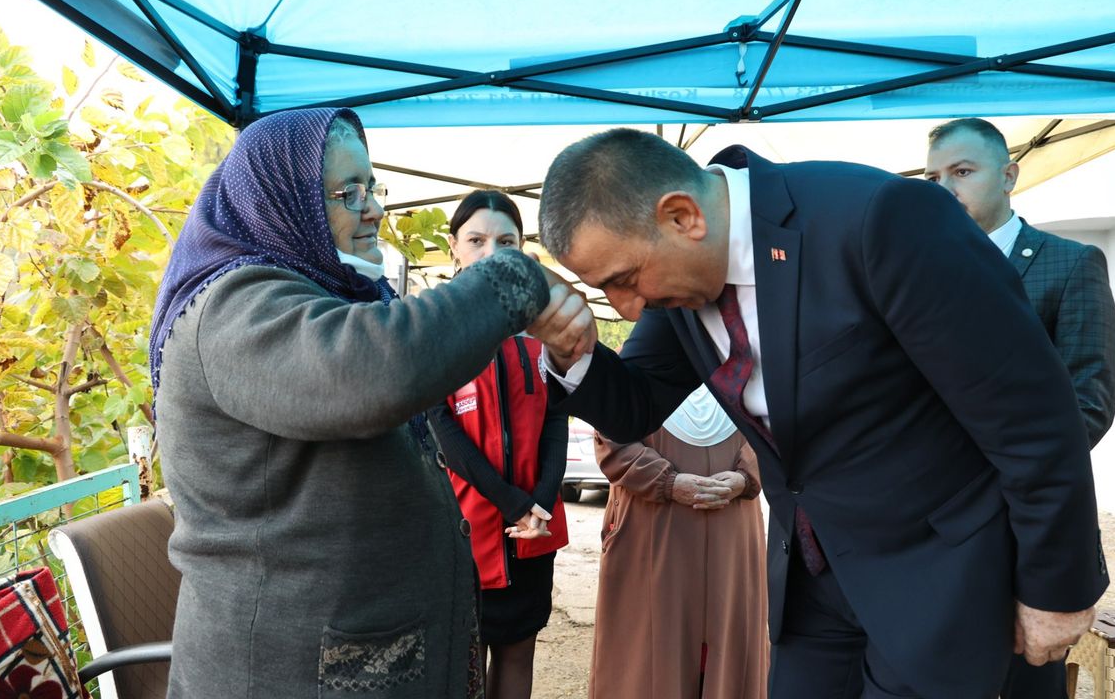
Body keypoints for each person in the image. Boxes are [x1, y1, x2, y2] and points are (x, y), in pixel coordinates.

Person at [528, 128, 1108, 698]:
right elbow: (635, 406)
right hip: (813, 587)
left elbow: (1032, 416)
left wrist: (1057, 588)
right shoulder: (678, 278)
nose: (628, 307)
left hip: (937, 579)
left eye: (625, 280)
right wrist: (569, 351)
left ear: (682, 216)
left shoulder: (879, 219)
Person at [149, 108, 554, 699]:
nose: (374, 210)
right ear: (281, 199)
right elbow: (375, 370)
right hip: (284, 673)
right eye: (348, 192)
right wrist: (513, 277)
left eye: (372, 187)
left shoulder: (323, 291)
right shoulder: (232, 308)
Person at [925, 117, 1115, 698]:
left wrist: (993, 471)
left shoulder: (1071, 263)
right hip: (929, 525)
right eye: (933, 178)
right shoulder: (914, 270)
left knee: (1022, 681)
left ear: (1009, 175)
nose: (945, 189)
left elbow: (1089, 402)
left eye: (962, 171)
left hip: (1026, 524)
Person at [426, 190, 569, 699]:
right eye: (476, 240)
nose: (491, 252)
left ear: (522, 247)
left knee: (519, 651)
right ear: (453, 247)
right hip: (469, 529)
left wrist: (541, 503)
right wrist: (514, 504)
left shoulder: (544, 326)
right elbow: (444, 433)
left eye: (505, 241)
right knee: (466, 665)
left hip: (535, 527)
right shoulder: (435, 327)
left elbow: (556, 419)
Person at [589, 385, 768, 699]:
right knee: (647, 657)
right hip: (652, 532)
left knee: (729, 644)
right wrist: (666, 481)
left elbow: (776, 429)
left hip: (733, 530)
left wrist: (746, 476)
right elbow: (611, 433)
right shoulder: (633, 369)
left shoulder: (749, 371)